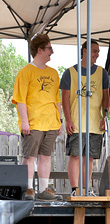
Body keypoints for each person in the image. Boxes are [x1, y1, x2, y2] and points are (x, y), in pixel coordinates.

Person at [12, 33, 63, 201]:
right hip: (33, 123)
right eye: (49, 48)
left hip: (51, 122)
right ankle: (27, 189)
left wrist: (59, 120)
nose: (52, 52)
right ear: (39, 50)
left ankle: (43, 190)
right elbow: (20, 99)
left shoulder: (54, 73)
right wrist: (25, 121)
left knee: (46, 156)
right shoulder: (25, 72)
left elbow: (57, 99)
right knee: (29, 157)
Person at [60, 40, 109, 195]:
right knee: (75, 156)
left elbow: (106, 97)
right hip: (76, 122)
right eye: (95, 51)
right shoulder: (70, 72)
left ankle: (86, 189)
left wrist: (105, 116)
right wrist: (68, 120)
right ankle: (75, 189)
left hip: (95, 123)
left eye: (98, 51)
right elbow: (65, 99)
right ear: (85, 51)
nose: (97, 54)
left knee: (89, 158)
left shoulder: (102, 73)